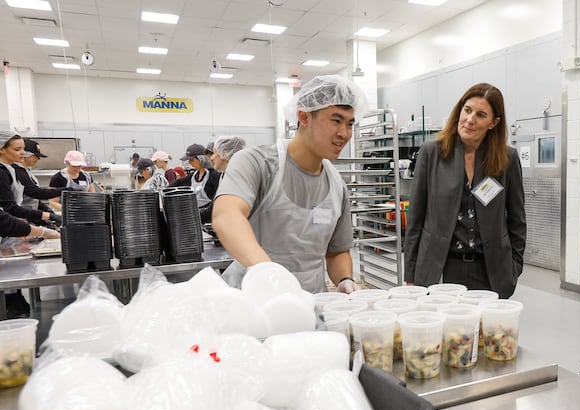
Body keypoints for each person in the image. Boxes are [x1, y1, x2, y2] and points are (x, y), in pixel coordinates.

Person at [212, 75, 368, 294]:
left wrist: (344, 280)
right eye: (336, 120)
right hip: (249, 300)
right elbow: (226, 216)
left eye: (350, 124)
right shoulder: (257, 163)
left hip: (309, 304)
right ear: (304, 117)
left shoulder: (336, 185)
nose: (344, 133)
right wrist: (267, 272)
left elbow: (336, 251)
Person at [403, 83, 526, 299]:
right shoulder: (432, 153)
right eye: (467, 110)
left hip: (491, 272)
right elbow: (415, 219)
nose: (470, 119)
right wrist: (411, 273)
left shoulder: (507, 159)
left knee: (487, 332)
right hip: (440, 270)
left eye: (481, 115)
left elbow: (517, 220)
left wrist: (514, 267)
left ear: (494, 122)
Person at [0, 130, 60, 224]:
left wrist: (47, 213)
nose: (23, 153)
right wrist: (48, 216)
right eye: (17, 149)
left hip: (13, 222)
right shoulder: (3, 172)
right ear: (1, 149)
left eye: (23, 149)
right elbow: (10, 207)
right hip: (7, 224)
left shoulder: (10, 170)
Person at [171, 143, 221, 223]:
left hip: (210, 220)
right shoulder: (193, 176)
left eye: (191, 160)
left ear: (201, 159)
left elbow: (217, 202)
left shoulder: (215, 176)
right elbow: (175, 185)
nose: (190, 163)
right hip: (195, 217)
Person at [15, 139, 64, 218]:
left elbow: (33, 199)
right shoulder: (17, 171)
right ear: (26, 154)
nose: (38, 159)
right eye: (36, 156)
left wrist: (47, 210)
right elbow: (36, 193)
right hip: (19, 217)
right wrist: (64, 190)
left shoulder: (26, 171)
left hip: (28, 215)